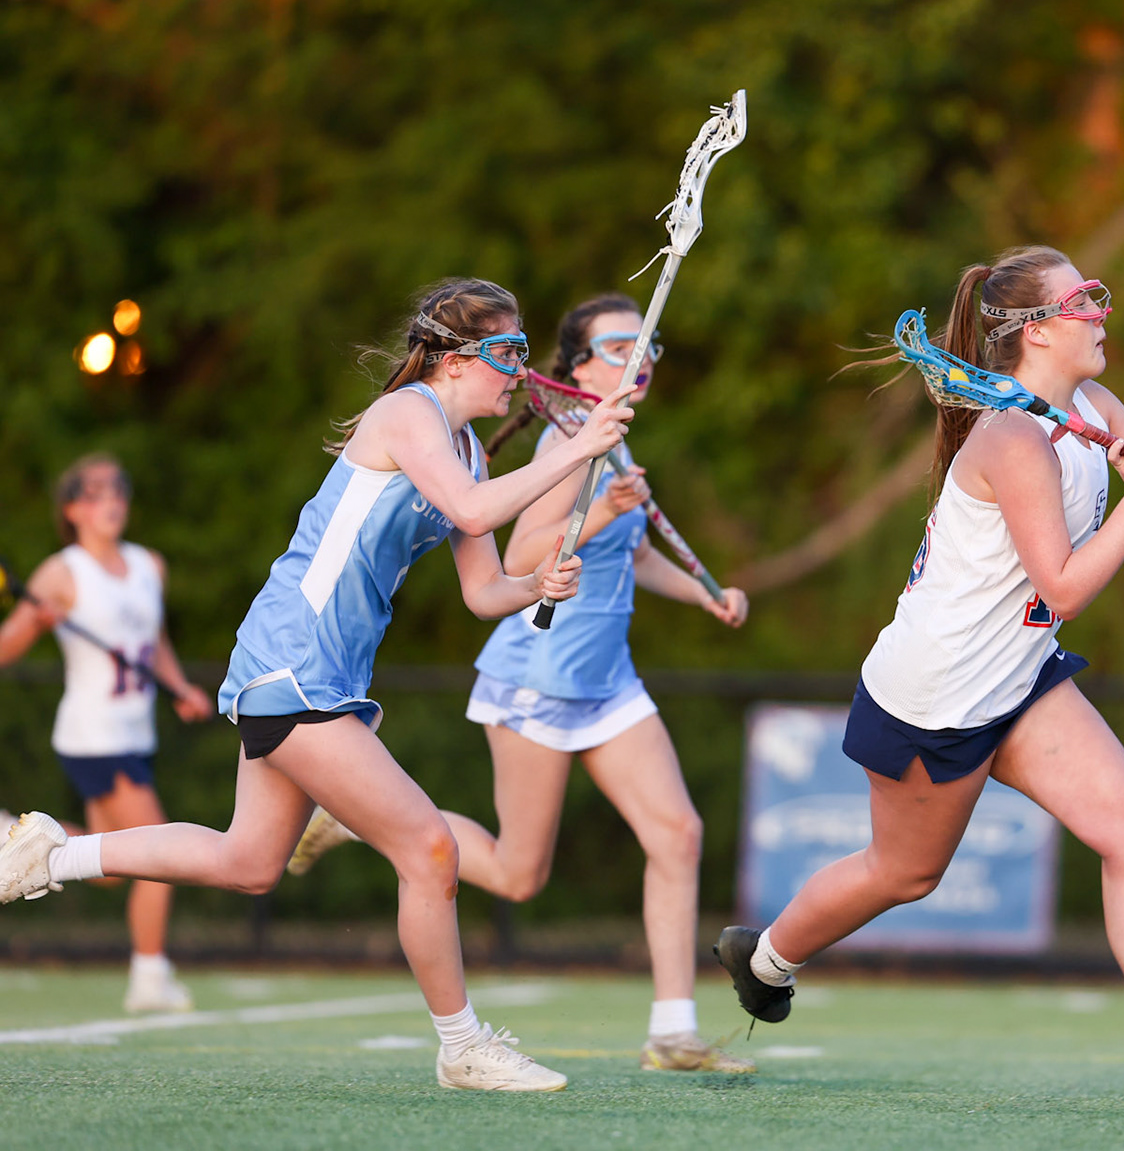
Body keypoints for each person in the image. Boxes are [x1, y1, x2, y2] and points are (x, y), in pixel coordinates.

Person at [712, 246, 1124, 1104]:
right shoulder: (1010, 437)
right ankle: (763, 958)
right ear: (1035, 330)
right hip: (939, 691)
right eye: (1085, 300)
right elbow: (1065, 583)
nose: (1104, 310)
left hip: (1018, 677)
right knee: (904, 874)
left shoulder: (1094, 407)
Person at [0, 278, 633, 1092]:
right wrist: (579, 451)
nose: (519, 368)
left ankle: (56, 851)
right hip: (293, 661)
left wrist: (537, 585)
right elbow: (474, 513)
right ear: (451, 360)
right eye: (506, 351)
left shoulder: (468, 450)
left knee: (249, 862)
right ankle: (462, 1044)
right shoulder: (408, 414)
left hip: (322, 672)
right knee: (429, 849)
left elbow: (482, 591)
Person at [290, 293, 754, 1074]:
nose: (637, 360)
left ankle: (673, 1032)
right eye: (616, 346)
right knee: (517, 874)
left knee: (678, 834)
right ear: (573, 367)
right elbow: (524, 550)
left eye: (648, 346)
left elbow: (633, 558)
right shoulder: (562, 444)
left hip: (609, 682)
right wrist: (601, 505)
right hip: (538, 676)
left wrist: (703, 593)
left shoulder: (614, 446)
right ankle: (354, 817)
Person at [0, 454, 213, 1013]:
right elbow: (8, 646)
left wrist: (180, 686)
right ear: (72, 510)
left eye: (118, 489)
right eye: (95, 493)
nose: (112, 500)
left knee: (109, 870)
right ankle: (149, 978)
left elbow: (154, 640)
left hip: (134, 732)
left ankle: (9, 835)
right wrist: (34, 621)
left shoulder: (149, 564)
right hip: (93, 736)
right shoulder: (61, 572)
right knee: (160, 853)